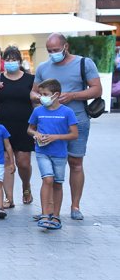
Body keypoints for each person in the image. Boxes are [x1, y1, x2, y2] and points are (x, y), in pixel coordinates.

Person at [32, 32, 101, 221]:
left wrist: (72, 96)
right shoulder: (43, 67)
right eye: (49, 51)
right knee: (52, 166)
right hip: (50, 123)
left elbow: (97, 89)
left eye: (55, 50)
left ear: (66, 46)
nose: (52, 53)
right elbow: (33, 92)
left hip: (77, 119)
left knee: (76, 163)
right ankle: (50, 210)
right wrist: (42, 98)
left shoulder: (83, 63)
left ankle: (75, 206)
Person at [0, 46, 35, 207]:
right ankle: (9, 198)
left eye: (14, 59)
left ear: (20, 61)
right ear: (3, 61)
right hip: (2, 126)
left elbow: (36, 101)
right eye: (8, 59)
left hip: (24, 125)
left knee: (23, 162)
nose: (11, 62)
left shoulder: (30, 79)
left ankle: (26, 186)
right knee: (5, 160)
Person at [27, 79, 78, 230]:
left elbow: (74, 134)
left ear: (56, 95)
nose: (41, 97)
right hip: (42, 151)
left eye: (45, 94)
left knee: (57, 183)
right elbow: (30, 129)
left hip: (60, 153)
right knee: (47, 179)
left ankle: (55, 215)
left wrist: (56, 137)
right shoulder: (38, 111)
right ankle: (44, 214)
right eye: (40, 94)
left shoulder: (67, 112)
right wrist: (36, 134)